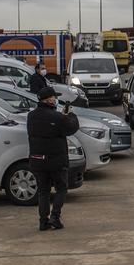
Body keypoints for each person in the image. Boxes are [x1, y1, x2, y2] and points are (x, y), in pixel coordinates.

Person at [27, 86, 80, 231]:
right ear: (49, 99)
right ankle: (55, 217)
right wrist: (70, 115)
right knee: (61, 188)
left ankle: (43, 221)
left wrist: (62, 117)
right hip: (56, 161)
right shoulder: (57, 117)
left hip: (37, 160)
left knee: (43, 191)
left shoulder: (31, 116)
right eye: (54, 97)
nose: (55, 99)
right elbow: (71, 128)